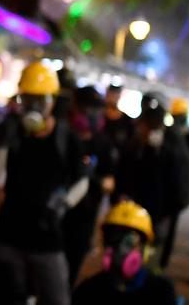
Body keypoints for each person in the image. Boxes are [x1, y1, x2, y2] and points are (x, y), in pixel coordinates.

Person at [0, 61, 87, 305]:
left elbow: (82, 180)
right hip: (9, 234)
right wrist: (2, 144)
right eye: (29, 99)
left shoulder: (67, 139)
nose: (34, 107)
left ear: (53, 101)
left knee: (57, 299)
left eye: (41, 99)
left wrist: (63, 204)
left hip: (47, 239)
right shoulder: (13, 134)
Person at [114, 93, 189, 270]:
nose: (143, 130)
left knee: (149, 268)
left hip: (157, 223)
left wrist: (164, 213)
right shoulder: (134, 147)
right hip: (129, 219)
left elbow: (180, 188)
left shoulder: (173, 151)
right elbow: (123, 177)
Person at [72, 200, 178, 305]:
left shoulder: (161, 293)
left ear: (144, 247)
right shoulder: (88, 292)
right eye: (114, 238)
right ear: (105, 243)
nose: (121, 248)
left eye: (130, 241)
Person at [62, 85, 115, 285]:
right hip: (53, 217)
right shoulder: (62, 137)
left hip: (83, 220)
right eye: (86, 109)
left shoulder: (102, 144)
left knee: (69, 274)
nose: (91, 115)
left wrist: (93, 178)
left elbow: (109, 183)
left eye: (96, 110)